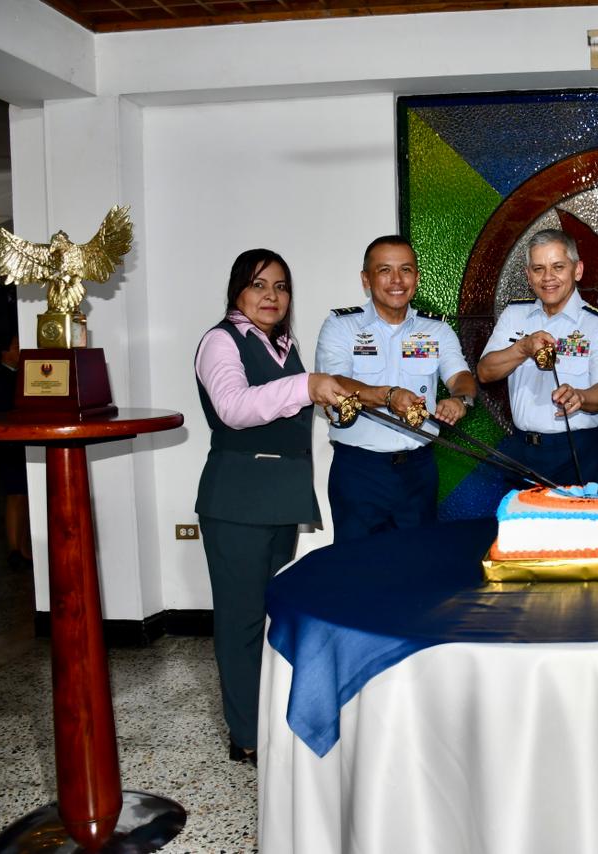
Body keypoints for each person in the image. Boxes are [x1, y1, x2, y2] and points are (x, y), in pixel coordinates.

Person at [194, 248, 350, 764]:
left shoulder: (285, 345)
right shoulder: (221, 341)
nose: (271, 296)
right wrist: (306, 387)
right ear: (238, 290)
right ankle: (246, 735)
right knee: (240, 624)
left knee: (272, 619)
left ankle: (272, 719)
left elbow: (289, 408)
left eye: (281, 287)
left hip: (281, 496)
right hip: (237, 499)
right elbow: (234, 409)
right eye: (259, 285)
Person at [315, 235, 476, 541]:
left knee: (417, 569)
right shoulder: (341, 326)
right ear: (367, 278)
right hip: (360, 470)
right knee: (356, 569)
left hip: (418, 470)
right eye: (385, 270)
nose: (397, 280)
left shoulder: (436, 329)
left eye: (406, 269)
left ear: (416, 276)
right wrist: (388, 396)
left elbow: (461, 377)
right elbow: (335, 383)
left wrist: (460, 400)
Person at [476, 229, 598, 486]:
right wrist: (522, 348)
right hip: (523, 450)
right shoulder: (514, 315)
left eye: (558, 267)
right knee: (522, 526)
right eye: (538, 269)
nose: (548, 277)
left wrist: (581, 396)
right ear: (528, 276)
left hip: (578, 451)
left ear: (577, 270)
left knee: (578, 524)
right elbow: (485, 372)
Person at [0, 332, 33, 569]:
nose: (20, 351)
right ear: (4, 353)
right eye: (16, 346)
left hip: (16, 443)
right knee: (16, 496)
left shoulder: (14, 376)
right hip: (8, 445)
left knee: (23, 496)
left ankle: (22, 547)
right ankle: (15, 549)